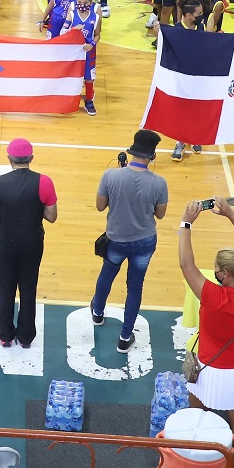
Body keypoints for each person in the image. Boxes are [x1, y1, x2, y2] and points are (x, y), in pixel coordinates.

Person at [177, 195, 234, 468]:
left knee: (197, 416)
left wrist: (186, 224)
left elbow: (186, 265)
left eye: (216, 270)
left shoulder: (215, 297)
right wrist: (230, 214)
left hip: (213, 367)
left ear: (225, 274)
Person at [90, 129, 168, 352]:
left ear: (131, 151)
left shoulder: (110, 176)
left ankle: (97, 313)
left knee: (107, 274)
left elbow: (100, 206)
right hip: (144, 242)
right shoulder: (159, 183)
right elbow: (160, 214)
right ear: (153, 155)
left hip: (116, 240)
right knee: (135, 288)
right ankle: (125, 338)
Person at [0, 138, 59, 349]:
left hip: (4, 244)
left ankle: (6, 335)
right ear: (31, 158)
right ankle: (25, 337)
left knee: (4, 289)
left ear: (10, 159)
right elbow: (52, 216)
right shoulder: (45, 182)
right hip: (31, 244)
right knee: (28, 288)